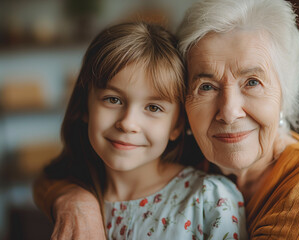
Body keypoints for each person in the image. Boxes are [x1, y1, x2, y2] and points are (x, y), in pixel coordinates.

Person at [34, 0, 299, 239]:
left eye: (252, 82)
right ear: (183, 105)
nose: (229, 111)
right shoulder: (194, 153)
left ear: (285, 93)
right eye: (206, 86)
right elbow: (58, 174)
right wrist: (75, 201)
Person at [36, 21, 247, 240]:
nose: (127, 123)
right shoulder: (68, 204)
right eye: (113, 99)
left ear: (177, 125)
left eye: (153, 107)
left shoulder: (210, 200)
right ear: (84, 106)